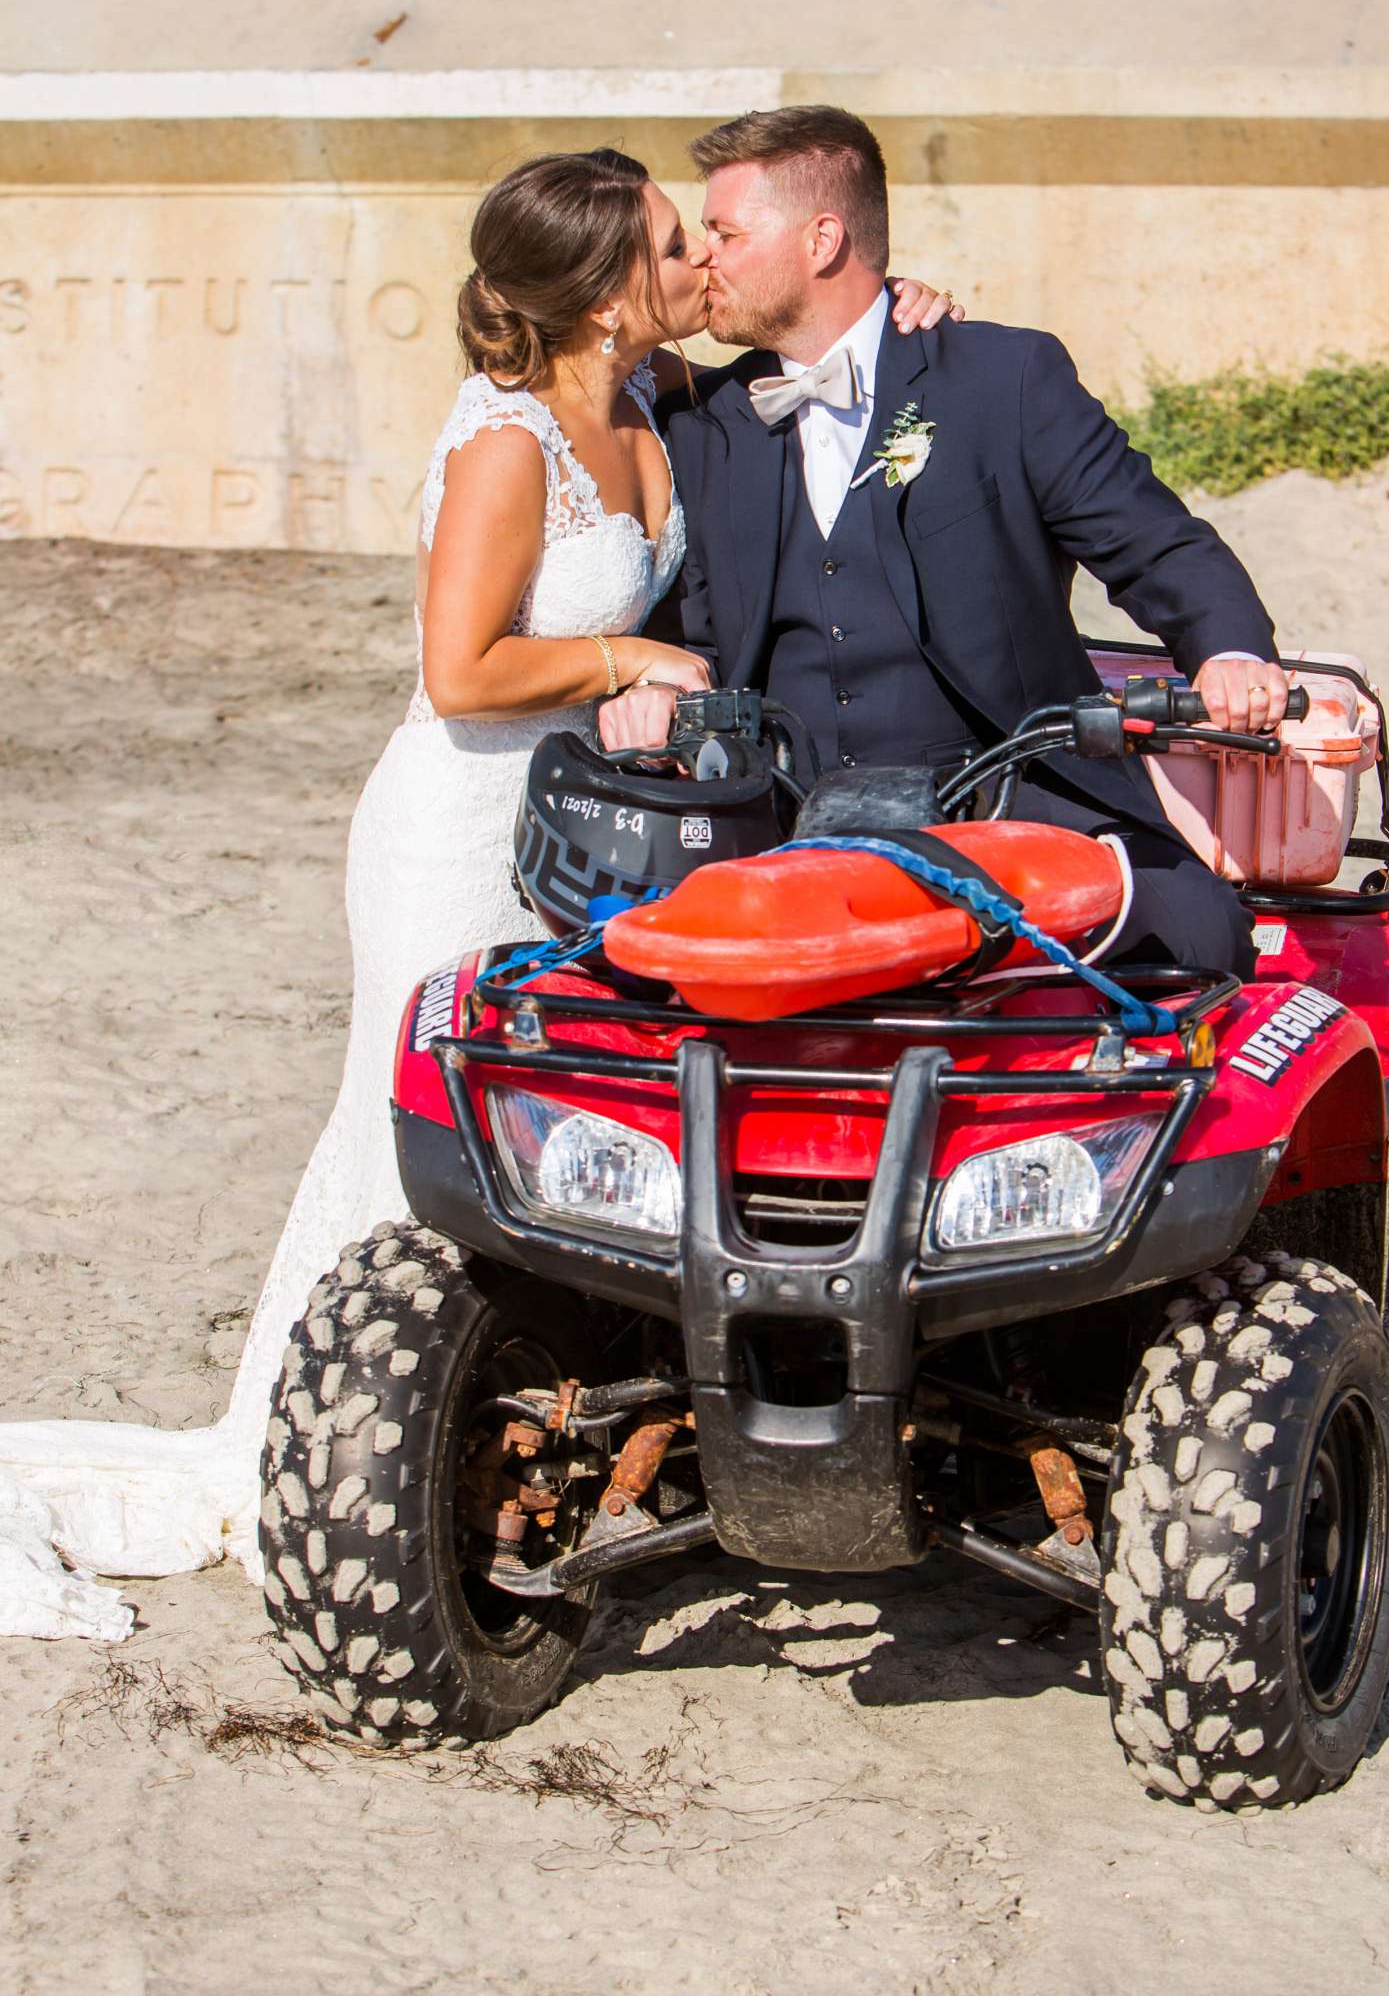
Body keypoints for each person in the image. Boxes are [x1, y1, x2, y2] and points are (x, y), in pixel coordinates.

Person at [0, 138, 963, 1642]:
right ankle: (327, 1450)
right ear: (598, 298)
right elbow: (459, 671)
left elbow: (812, 385)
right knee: (404, 1137)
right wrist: (622, 658)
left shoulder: (654, 401)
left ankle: (473, 1424)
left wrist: (893, 312)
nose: (696, 261)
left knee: (541, 1121)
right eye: (666, 242)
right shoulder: (510, 441)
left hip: (584, 838)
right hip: (454, 831)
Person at [601, 105, 1289, 981]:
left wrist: (1229, 651)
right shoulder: (706, 425)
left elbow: (1157, 545)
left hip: (1014, 802)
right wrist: (652, 690)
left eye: (725, 233)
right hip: (784, 828)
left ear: (821, 241)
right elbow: (684, 637)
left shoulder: (1004, 380)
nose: (705, 256)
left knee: (1200, 941)